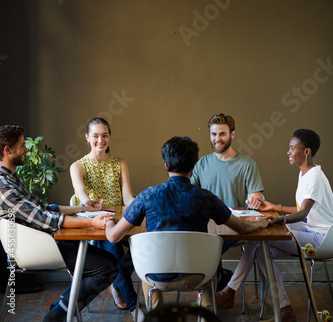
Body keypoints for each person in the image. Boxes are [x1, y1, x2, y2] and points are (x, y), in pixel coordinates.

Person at [104, 136, 269, 312]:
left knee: (149, 273)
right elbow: (243, 228)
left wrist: (109, 220)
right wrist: (261, 223)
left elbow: (113, 236)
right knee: (209, 274)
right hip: (198, 275)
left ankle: (155, 314)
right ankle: (206, 314)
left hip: (155, 276)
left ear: (166, 165)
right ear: (193, 166)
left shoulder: (148, 196)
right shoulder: (206, 197)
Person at [0, 124, 117, 322]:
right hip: (37, 249)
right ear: (7, 150)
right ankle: (56, 315)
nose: (27, 149)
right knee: (106, 268)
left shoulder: (11, 178)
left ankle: (59, 311)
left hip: (47, 242)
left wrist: (83, 208)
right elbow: (45, 218)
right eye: (22, 146)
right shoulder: (3, 186)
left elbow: (44, 208)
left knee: (111, 263)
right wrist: (94, 223)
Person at [218, 129, 333, 322]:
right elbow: (301, 209)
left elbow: (303, 213)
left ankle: (230, 291)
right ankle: (285, 310)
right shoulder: (305, 174)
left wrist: (279, 219)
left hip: (321, 237)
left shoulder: (315, 176)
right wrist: (275, 207)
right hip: (309, 230)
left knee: (259, 240)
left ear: (306, 151)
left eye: (292, 148)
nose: (288, 152)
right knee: (261, 247)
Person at [70, 117, 144, 322]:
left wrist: (142, 204)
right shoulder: (78, 165)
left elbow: (128, 197)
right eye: (95, 136)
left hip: (120, 222)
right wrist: (90, 204)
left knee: (135, 248)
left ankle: (116, 284)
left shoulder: (120, 163)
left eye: (104, 135)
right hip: (95, 221)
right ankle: (134, 306)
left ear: (110, 136)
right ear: (87, 137)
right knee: (114, 250)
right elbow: (81, 195)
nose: (100, 140)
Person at [190, 112, 265, 292]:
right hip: (206, 227)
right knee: (200, 247)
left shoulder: (247, 163)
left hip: (234, 226)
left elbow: (257, 196)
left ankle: (216, 290)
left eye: (222, 134)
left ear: (232, 134)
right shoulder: (202, 163)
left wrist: (256, 201)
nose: (217, 139)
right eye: (214, 134)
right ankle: (220, 284)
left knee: (207, 250)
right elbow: (189, 194)